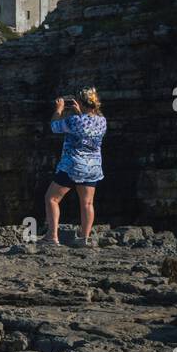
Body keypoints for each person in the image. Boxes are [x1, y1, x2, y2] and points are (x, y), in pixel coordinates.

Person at [44, 87, 107, 246]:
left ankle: (52, 237)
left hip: (73, 166)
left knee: (51, 199)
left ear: (80, 103)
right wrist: (80, 112)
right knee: (87, 203)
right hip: (93, 168)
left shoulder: (74, 121)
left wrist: (59, 110)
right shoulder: (102, 121)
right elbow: (86, 127)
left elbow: (54, 126)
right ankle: (84, 239)